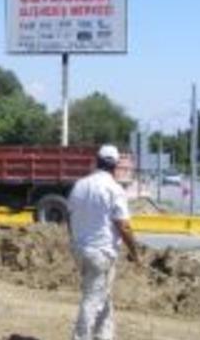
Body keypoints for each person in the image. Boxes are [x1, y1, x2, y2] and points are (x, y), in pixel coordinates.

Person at [68, 144, 140, 340]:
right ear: (115, 166)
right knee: (92, 298)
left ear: (96, 161)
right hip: (101, 253)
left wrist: (75, 241)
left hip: (80, 249)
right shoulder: (114, 189)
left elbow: (70, 216)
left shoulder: (80, 185)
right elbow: (123, 226)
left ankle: (104, 336)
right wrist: (135, 253)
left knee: (102, 295)